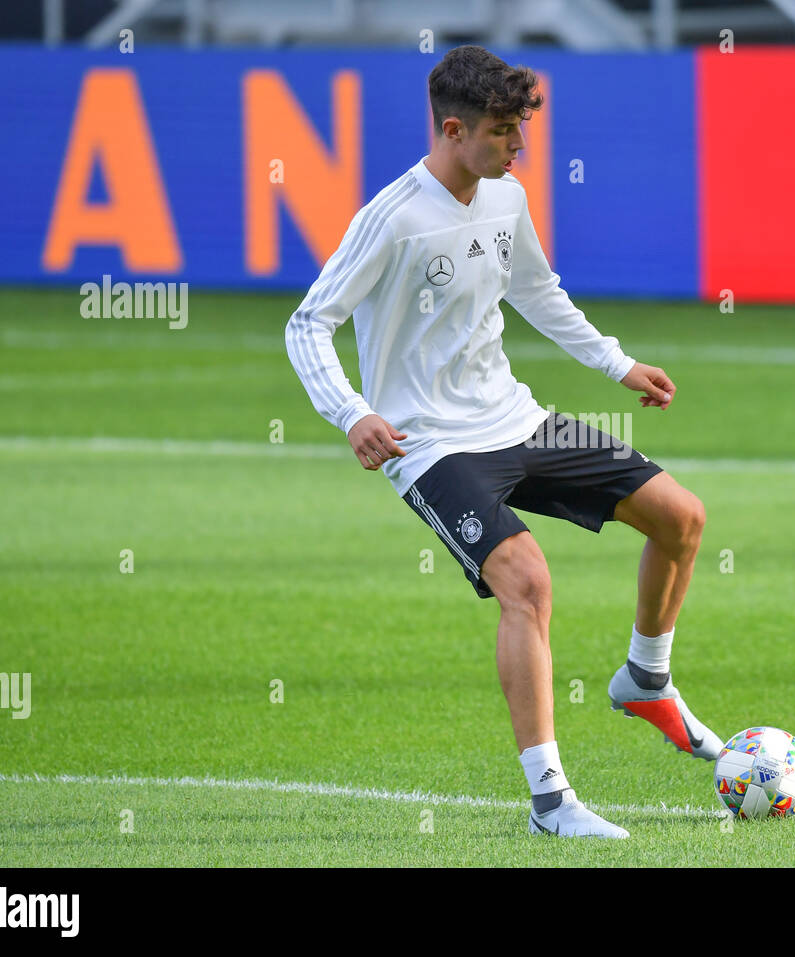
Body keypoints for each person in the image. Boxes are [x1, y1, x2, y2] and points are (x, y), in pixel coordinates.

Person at [285, 45, 721, 838]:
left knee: (681, 516)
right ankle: (551, 801)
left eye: (522, 132)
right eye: (504, 133)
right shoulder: (392, 218)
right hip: (430, 443)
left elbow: (538, 293)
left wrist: (617, 364)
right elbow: (309, 321)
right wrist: (353, 413)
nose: (518, 149)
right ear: (453, 129)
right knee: (527, 581)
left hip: (514, 417)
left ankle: (646, 679)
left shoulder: (506, 197)